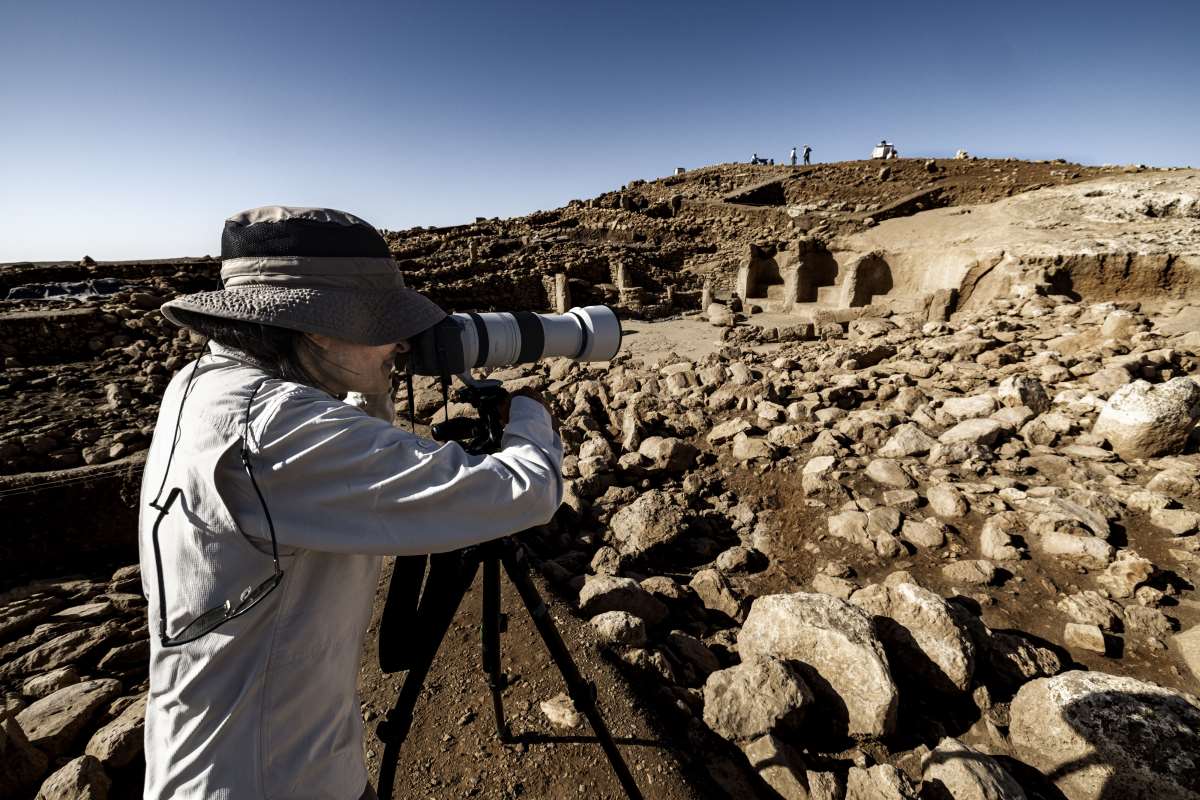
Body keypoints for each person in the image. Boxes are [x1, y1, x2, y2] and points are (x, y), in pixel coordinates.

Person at [139, 206, 563, 799]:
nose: (399, 341)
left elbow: (340, 446)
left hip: (229, 757)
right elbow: (526, 490)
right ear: (314, 327)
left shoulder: (203, 386)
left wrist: (371, 379)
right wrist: (530, 416)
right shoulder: (278, 429)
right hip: (276, 777)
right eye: (382, 322)